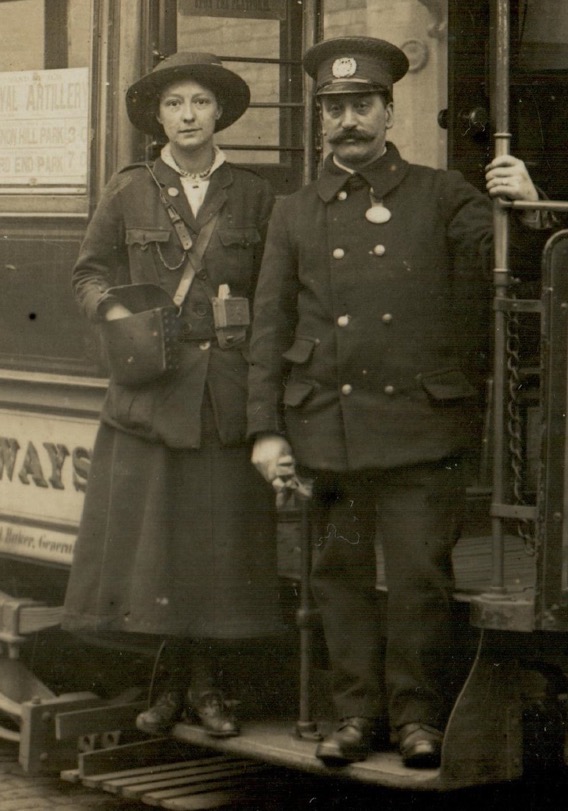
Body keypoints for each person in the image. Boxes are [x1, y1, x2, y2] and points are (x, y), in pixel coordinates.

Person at [247, 36, 550, 768]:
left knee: (419, 577)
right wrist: (266, 431)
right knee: (341, 578)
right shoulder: (294, 211)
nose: (347, 121)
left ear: (390, 113)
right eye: (335, 109)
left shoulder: (442, 195)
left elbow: (514, 269)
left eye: (361, 106)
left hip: (421, 425)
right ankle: (354, 713)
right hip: (330, 425)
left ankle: (418, 716)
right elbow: (268, 326)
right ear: (322, 120)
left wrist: (529, 205)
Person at [62, 52, 282, 739]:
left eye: (200, 103)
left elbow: (274, 291)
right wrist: (113, 313)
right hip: (150, 396)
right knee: (154, 549)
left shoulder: (252, 193)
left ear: (219, 113)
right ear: (158, 117)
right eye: (174, 105)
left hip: (224, 397)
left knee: (213, 551)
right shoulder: (128, 189)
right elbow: (88, 272)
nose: (187, 116)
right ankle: (167, 681)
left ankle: (209, 686)